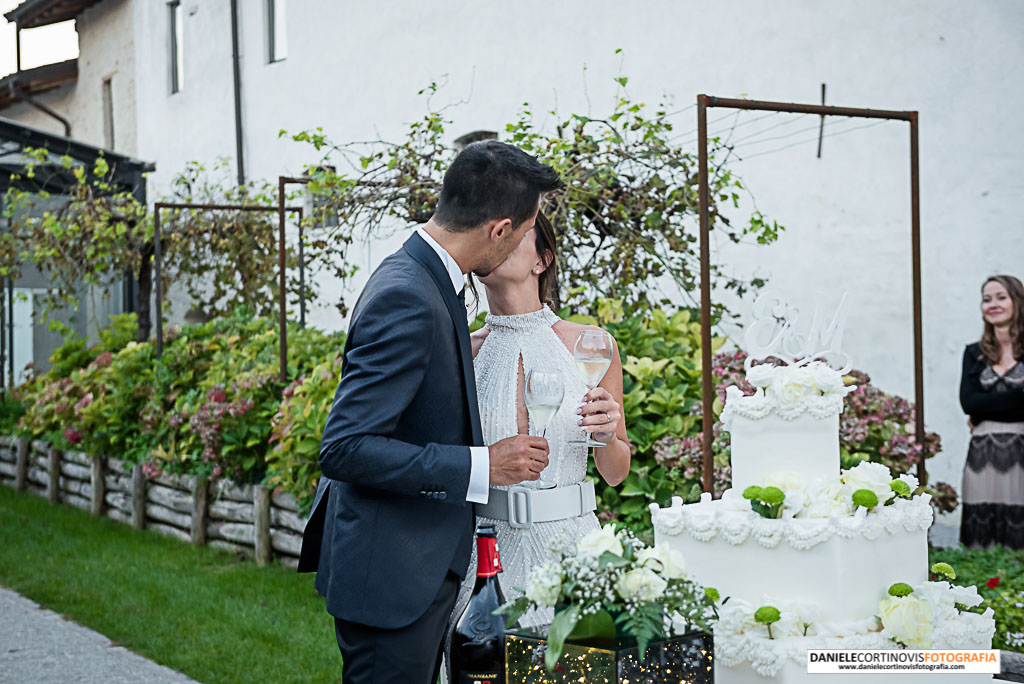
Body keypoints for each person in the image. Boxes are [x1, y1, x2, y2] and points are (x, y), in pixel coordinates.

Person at [297, 140, 562, 684]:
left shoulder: (423, 274)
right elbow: (345, 447)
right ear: (499, 228)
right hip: (392, 576)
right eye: (522, 228)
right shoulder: (410, 294)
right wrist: (483, 466)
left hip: (413, 566)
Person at [443, 210, 631, 677]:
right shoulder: (464, 352)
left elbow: (616, 471)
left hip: (571, 549)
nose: (498, 239)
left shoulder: (592, 345)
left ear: (542, 260)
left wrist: (607, 434)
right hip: (485, 552)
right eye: (493, 233)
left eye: (515, 234)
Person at [959, 274, 1024, 550]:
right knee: (981, 535)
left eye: (1001, 297)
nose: (992, 304)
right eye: (987, 299)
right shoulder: (974, 353)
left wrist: (986, 408)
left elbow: (979, 404)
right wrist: (1017, 399)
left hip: (1021, 452)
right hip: (982, 454)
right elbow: (969, 402)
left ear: (1017, 302)